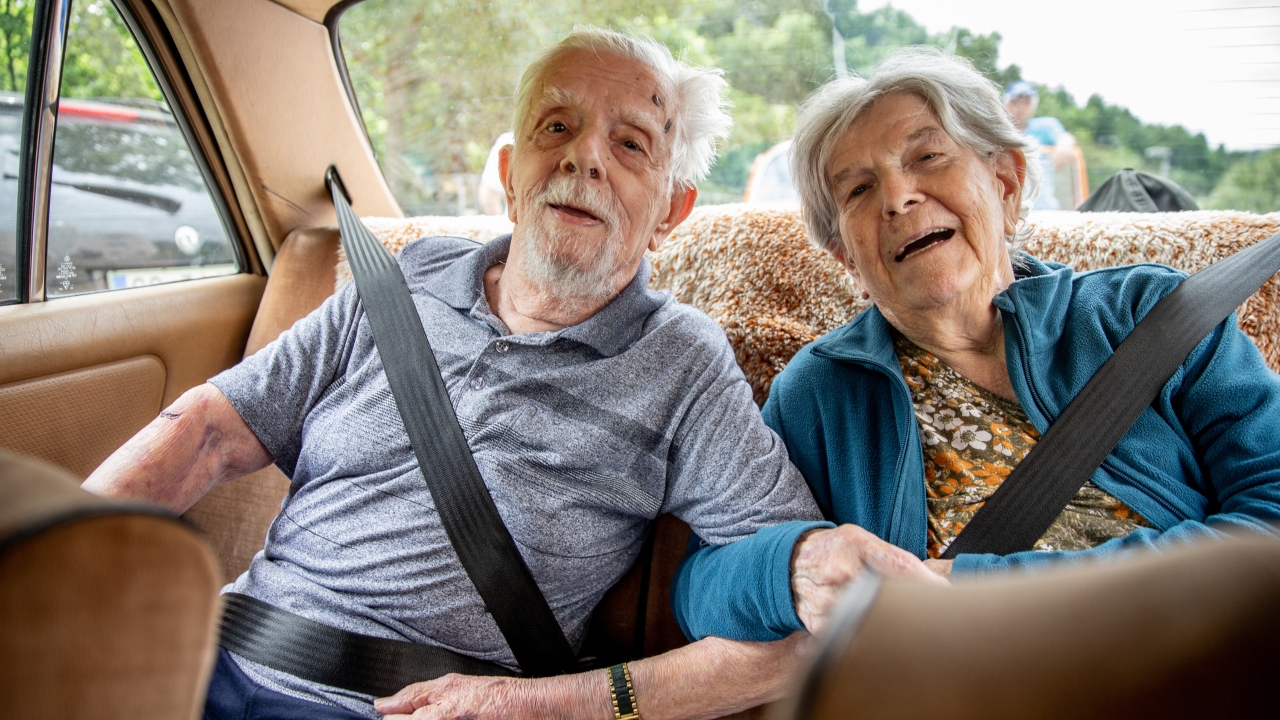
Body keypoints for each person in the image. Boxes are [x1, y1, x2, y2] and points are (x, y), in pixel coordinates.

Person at [84, 28, 940, 720]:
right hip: (206, 653)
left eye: (631, 143)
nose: (584, 159)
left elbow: (802, 625)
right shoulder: (400, 283)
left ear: (671, 211)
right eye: (555, 128)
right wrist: (51, 581)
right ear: (510, 176)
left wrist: (546, 707)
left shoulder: (681, 362)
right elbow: (202, 431)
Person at [674, 47, 1280, 642]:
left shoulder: (1147, 314)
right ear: (845, 256)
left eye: (928, 156)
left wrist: (969, 588)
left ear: (1006, 183)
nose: (897, 197)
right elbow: (702, 586)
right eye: (858, 190)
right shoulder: (823, 391)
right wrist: (795, 565)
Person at [1003, 80, 1075, 209]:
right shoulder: (999, 130)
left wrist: (1064, 147)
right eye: (1015, 101)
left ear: (1033, 106)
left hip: (1045, 208)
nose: (1020, 107)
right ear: (1006, 104)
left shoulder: (1046, 126)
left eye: (1026, 102)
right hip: (1008, 207)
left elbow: (1066, 138)